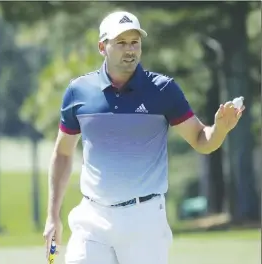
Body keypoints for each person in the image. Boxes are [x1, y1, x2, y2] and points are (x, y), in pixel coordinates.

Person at [43, 10, 245, 264]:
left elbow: (202, 141)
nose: (130, 50)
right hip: (92, 217)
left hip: (144, 219)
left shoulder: (163, 89)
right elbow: (62, 153)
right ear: (102, 46)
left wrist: (220, 129)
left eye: (135, 42)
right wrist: (53, 216)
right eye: (121, 43)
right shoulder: (78, 92)